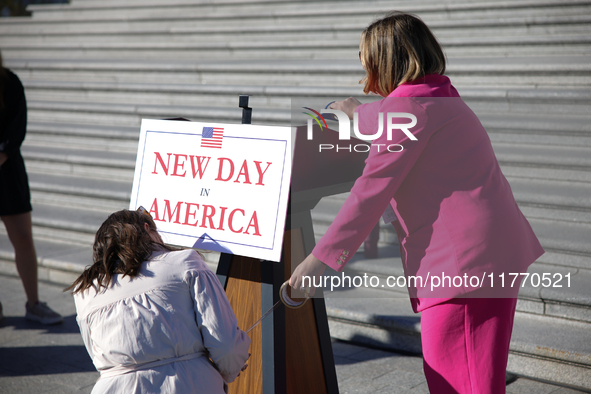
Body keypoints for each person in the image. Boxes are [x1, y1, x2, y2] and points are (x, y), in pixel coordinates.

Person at [290, 12, 544, 393]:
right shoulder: (438, 98)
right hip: (489, 253)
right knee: (471, 374)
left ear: (384, 63)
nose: (365, 75)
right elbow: (390, 113)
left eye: (367, 63)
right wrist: (355, 111)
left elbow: (369, 193)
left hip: (464, 269)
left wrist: (318, 261)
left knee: (461, 383)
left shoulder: (407, 111)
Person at [67, 208, 250, 393]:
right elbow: (225, 343)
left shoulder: (85, 290)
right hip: (186, 383)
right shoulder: (185, 263)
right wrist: (233, 364)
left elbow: (98, 357)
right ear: (147, 229)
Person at [0, 50, 63, 325]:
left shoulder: (9, 82)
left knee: (23, 238)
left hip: (8, 170)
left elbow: (16, 131)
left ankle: (34, 303)